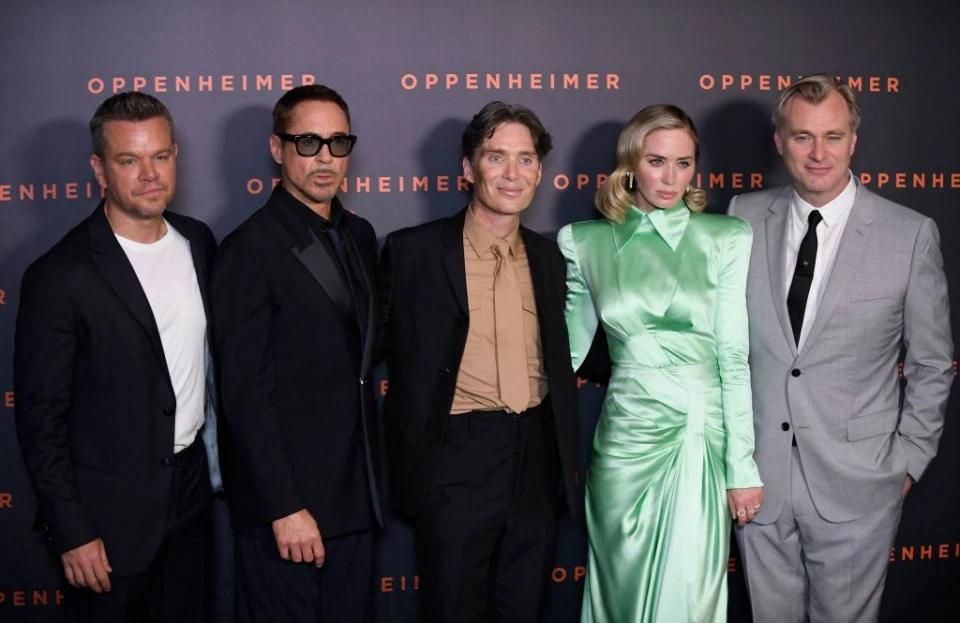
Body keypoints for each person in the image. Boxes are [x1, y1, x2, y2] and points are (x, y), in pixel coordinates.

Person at [728, 74, 953, 622]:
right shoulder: (741, 217)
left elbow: (931, 362)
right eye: (803, 137)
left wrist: (907, 461)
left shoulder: (909, 234)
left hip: (859, 483)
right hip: (758, 480)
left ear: (853, 141)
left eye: (832, 136)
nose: (818, 153)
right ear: (779, 141)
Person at [14, 91, 219, 623]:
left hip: (192, 494)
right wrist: (72, 530)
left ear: (175, 156)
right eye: (129, 160)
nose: (150, 174)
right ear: (99, 169)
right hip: (106, 518)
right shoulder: (60, 275)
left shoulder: (199, 242)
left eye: (160, 156)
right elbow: (41, 418)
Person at [559, 104, 763, 622]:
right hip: (624, 446)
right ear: (631, 164)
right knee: (619, 597)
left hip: (698, 435)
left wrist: (742, 465)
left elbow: (733, 357)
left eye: (683, 163)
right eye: (656, 161)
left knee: (690, 597)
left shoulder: (726, 237)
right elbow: (566, 354)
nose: (671, 178)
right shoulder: (584, 241)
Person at [377, 101, 579, 623]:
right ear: (468, 169)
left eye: (526, 159)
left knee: (525, 608)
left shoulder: (551, 259)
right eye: (496, 157)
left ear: (540, 171)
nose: (513, 174)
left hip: (536, 459)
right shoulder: (413, 253)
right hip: (455, 457)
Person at [212, 84, 381, 622]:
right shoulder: (249, 249)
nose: (325, 158)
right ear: (276, 148)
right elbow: (244, 395)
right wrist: (283, 506)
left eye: (338, 142)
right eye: (308, 142)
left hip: (357, 498)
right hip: (288, 511)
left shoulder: (361, 235)